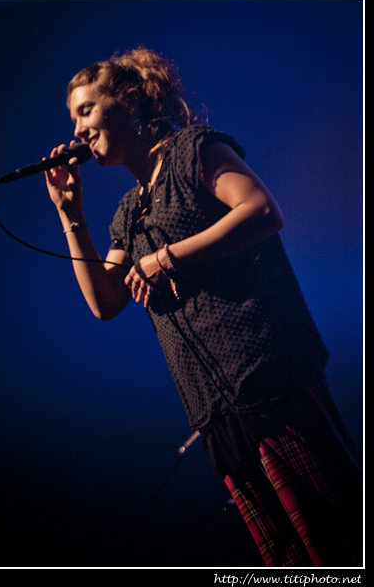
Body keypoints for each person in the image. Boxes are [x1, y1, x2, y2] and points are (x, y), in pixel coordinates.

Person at [44, 47, 363, 567]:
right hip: (217, 412)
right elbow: (105, 302)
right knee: (288, 559)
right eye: (72, 118)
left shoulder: (194, 150)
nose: (77, 129)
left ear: (129, 99)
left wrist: (167, 257)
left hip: (269, 381)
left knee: (337, 544)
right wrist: (70, 214)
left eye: (86, 110)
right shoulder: (129, 212)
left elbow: (261, 209)